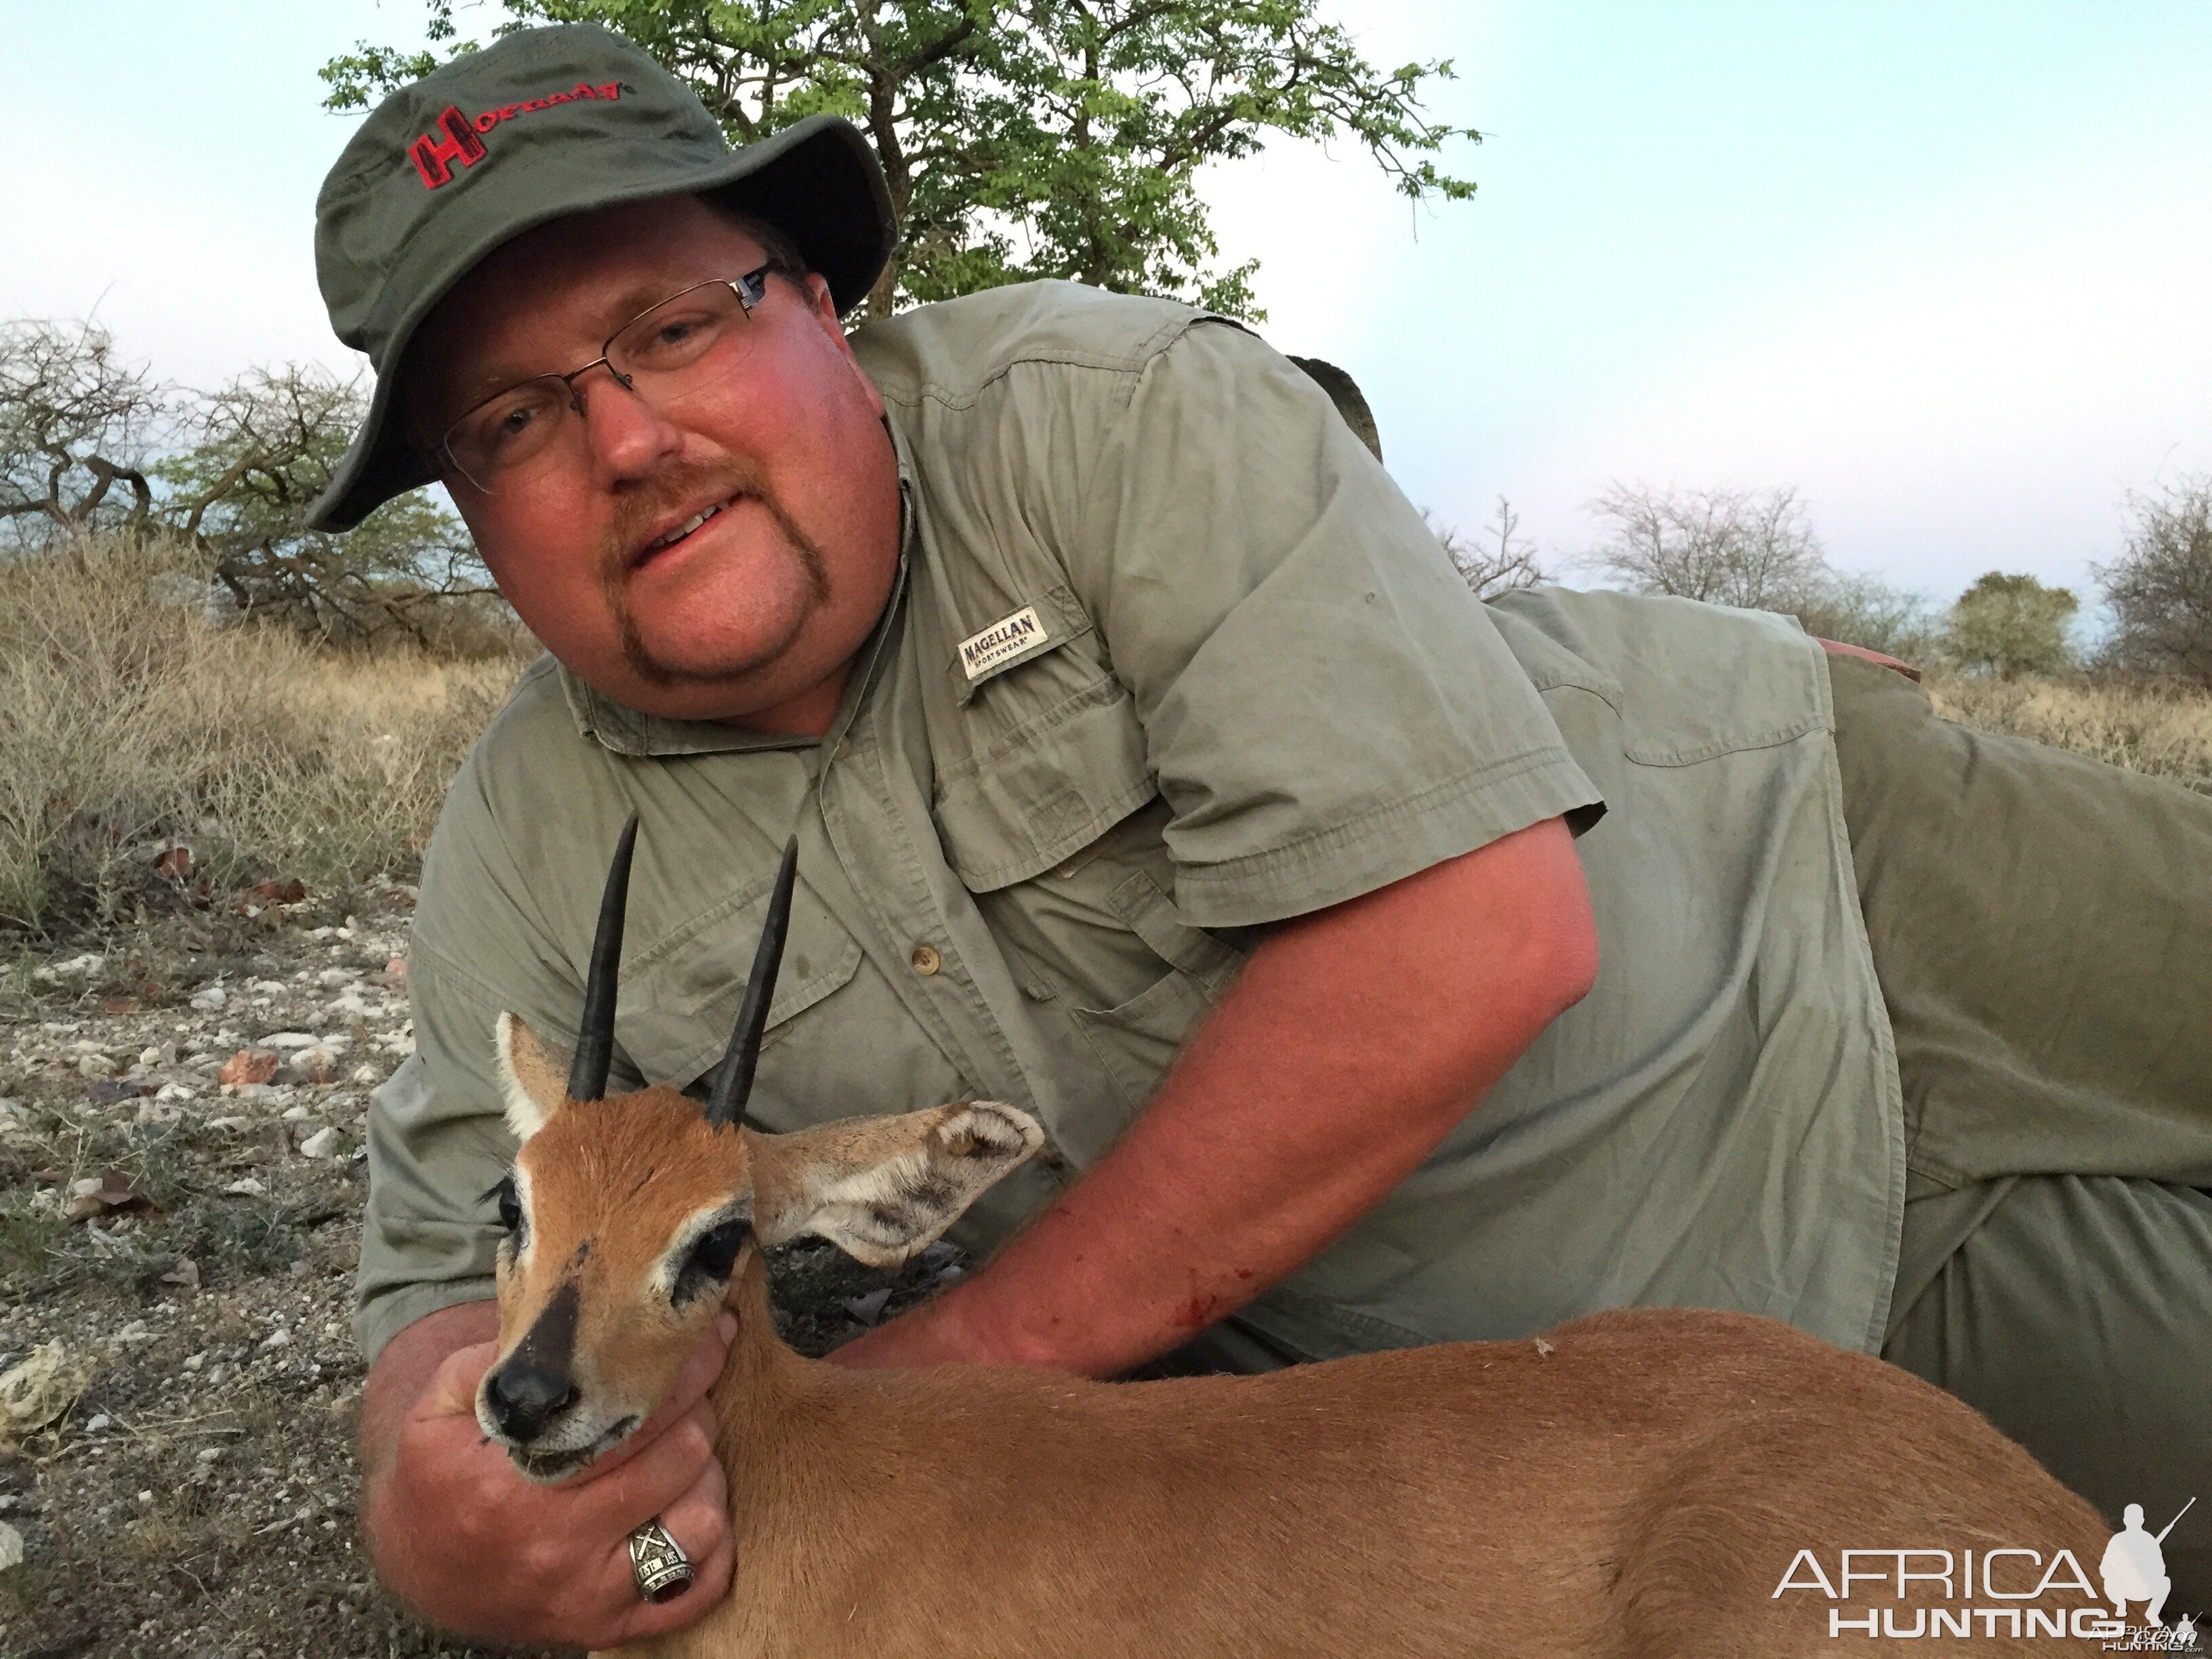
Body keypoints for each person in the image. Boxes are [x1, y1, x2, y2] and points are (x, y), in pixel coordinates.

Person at [309, 24, 2212, 1652]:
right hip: (1723, 1307)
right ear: (468, 509)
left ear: (821, 307)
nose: (627, 440)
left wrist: (890, 1419)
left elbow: (1476, 940)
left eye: (671, 325)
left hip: (1837, 870)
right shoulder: (530, 835)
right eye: (515, 419)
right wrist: (444, 1516)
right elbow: (435, 1326)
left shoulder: (1100, 408)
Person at [2104, 1504, 2177, 1626]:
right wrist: (2122, 1570)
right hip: (2121, 1588)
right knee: (2108, 1582)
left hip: (2142, 1588)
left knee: (2165, 1582)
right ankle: (2121, 1606)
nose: (2134, 1522)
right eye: (2131, 1519)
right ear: (2125, 1521)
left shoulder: (2149, 1540)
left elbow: (2161, 1569)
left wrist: (2145, 1569)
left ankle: (2152, 1613)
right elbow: (2105, 1567)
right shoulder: (2118, 1540)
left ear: (2142, 1521)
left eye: (2136, 1519)